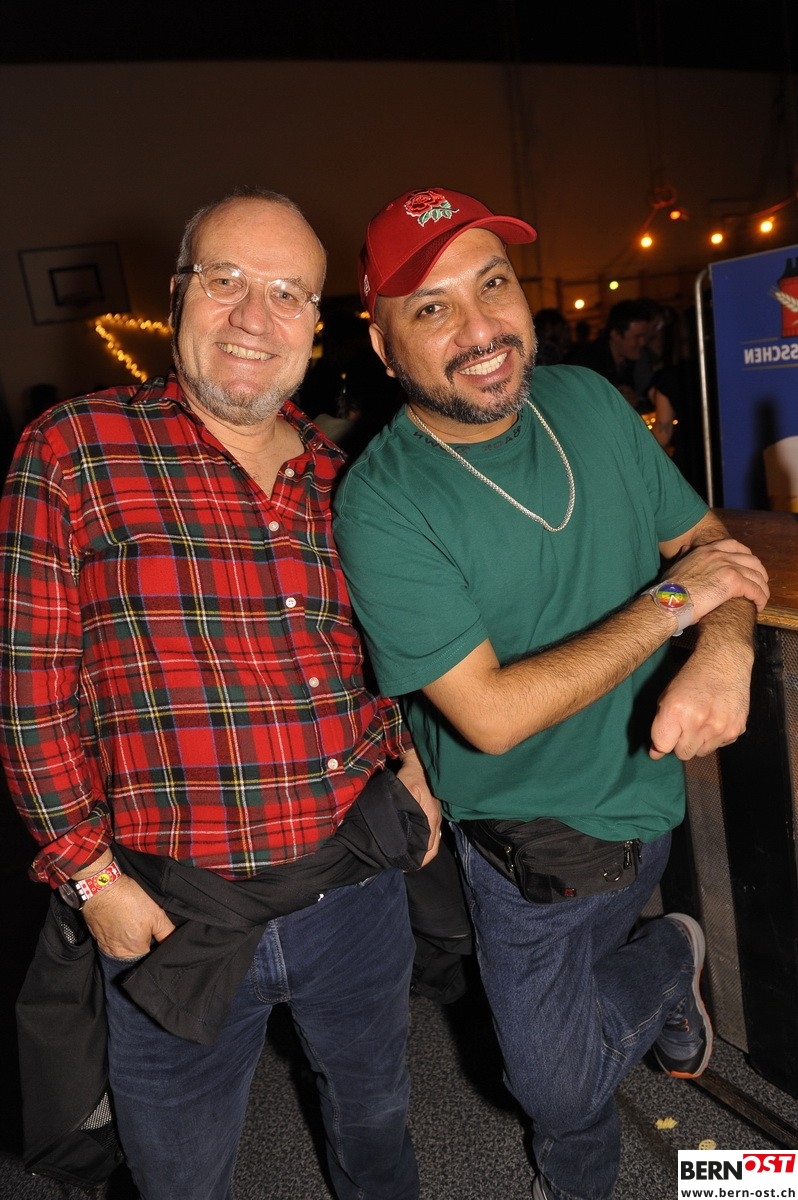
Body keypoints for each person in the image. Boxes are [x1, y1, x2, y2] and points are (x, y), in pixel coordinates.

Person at [0, 186, 443, 1200]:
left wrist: (414, 767)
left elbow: (384, 656)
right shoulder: (72, 449)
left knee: (377, 1128)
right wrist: (90, 879)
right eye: (226, 280)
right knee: (180, 1173)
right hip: (171, 913)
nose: (254, 316)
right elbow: (29, 698)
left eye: (289, 293)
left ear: (316, 322)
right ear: (177, 295)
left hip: (353, 891)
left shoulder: (345, 476)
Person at [333, 186, 770, 1200]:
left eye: (492, 284)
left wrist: (726, 650)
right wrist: (678, 607)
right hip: (523, 843)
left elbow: (707, 544)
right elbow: (489, 716)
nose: (481, 328)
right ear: (385, 344)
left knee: (573, 1043)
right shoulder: (384, 499)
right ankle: (670, 960)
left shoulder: (585, 400)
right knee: (552, 1083)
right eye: (432, 307)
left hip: (649, 798)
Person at [569, 296, 655, 411]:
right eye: (637, 336)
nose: (643, 342)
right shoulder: (588, 365)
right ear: (616, 335)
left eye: (644, 336)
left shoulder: (632, 360)